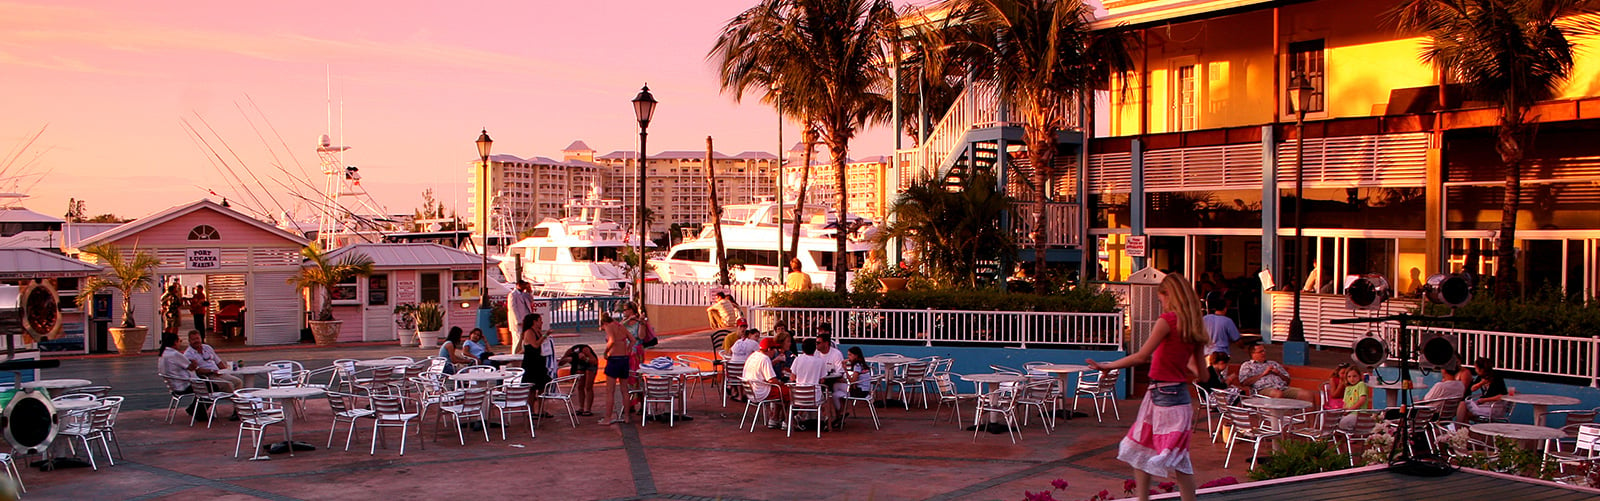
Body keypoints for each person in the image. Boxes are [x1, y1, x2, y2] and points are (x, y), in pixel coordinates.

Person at [1085, 273, 1207, 501]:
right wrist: (1182, 359)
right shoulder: (1195, 326)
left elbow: (1141, 356)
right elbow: (1203, 373)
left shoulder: (1167, 321)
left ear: (1169, 295)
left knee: (1142, 449)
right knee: (1170, 456)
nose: (1161, 302)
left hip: (1162, 394)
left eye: (1161, 298)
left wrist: (1108, 365)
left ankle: (1143, 499)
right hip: (1177, 396)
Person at [184, 330, 240, 420]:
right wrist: (211, 371)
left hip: (218, 373)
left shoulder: (207, 347)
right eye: (193, 339)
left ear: (201, 338)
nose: (196, 341)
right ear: (189, 341)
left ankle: (238, 407)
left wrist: (226, 371)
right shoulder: (188, 354)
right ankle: (237, 410)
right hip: (207, 377)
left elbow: (218, 361)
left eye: (197, 338)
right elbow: (197, 371)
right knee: (228, 385)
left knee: (237, 382)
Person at [742, 337, 789, 429]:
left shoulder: (753, 356)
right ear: (768, 349)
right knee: (789, 392)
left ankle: (774, 418)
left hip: (751, 391)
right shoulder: (765, 359)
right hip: (761, 392)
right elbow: (772, 380)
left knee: (780, 392)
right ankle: (786, 421)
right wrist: (781, 383)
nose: (775, 352)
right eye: (774, 349)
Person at [599, 313, 636, 425]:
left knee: (610, 391)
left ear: (604, 323)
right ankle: (626, 417)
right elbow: (633, 340)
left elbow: (612, 340)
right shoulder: (621, 326)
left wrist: (605, 352)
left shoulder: (609, 326)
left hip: (614, 359)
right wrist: (629, 349)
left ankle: (607, 418)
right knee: (625, 390)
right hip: (624, 359)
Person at [1233, 343, 1306, 400]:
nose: (1263, 353)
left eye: (1264, 351)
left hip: (1282, 388)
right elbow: (1244, 382)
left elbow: (1288, 381)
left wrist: (1279, 374)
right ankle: (1275, 418)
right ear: (1253, 354)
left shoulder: (1273, 363)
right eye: (1260, 351)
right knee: (1278, 394)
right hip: (1262, 389)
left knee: (1306, 394)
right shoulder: (1247, 365)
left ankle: (1312, 419)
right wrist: (1263, 374)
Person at [157, 332, 203, 415]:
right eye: (179, 341)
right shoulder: (174, 354)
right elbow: (191, 367)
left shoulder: (163, 354)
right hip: (183, 386)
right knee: (211, 387)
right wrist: (194, 363)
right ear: (175, 342)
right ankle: (199, 412)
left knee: (206, 386)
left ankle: (193, 408)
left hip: (174, 386)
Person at [1460, 357, 1512, 422]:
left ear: (1481, 369)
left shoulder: (1497, 378)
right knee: (1463, 407)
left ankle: (1463, 429)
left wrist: (1484, 400)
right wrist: (1481, 383)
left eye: (1476, 368)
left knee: (1466, 413)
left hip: (1495, 406)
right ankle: (1463, 429)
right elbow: (1472, 389)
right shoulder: (1481, 377)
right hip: (1485, 405)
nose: (1475, 370)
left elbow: (1501, 396)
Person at [559, 344, 599, 416]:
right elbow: (561, 362)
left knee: (588, 387)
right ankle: (581, 407)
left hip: (590, 364)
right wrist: (566, 360)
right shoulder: (570, 351)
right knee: (580, 386)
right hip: (581, 365)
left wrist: (585, 358)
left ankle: (588, 409)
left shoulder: (585, 350)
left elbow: (594, 361)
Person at [1202, 294, 1240, 364]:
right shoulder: (1227, 321)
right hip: (1222, 354)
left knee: (1208, 373)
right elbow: (1236, 339)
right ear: (1225, 308)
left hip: (1207, 353)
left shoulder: (1205, 318)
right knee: (1222, 374)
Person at [519, 314, 552, 391]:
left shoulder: (538, 331)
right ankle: (530, 403)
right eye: (540, 320)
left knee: (542, 387)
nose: (542, 322)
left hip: (539, 361)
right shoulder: (529, 332)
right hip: (531, 363)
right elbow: (535, 345)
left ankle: (541, 402)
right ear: (534, 322)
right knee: (532, 388)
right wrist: (545, 335)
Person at [508, 280, 535, 354]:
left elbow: (531, 300)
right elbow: (513, 308)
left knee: (525, 339)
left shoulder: (524, 294)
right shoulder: (513, 295)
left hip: (526, 319)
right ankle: (515, 355)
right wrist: (518, 320)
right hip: (518, 321)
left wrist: (529, 291)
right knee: (517, 339)